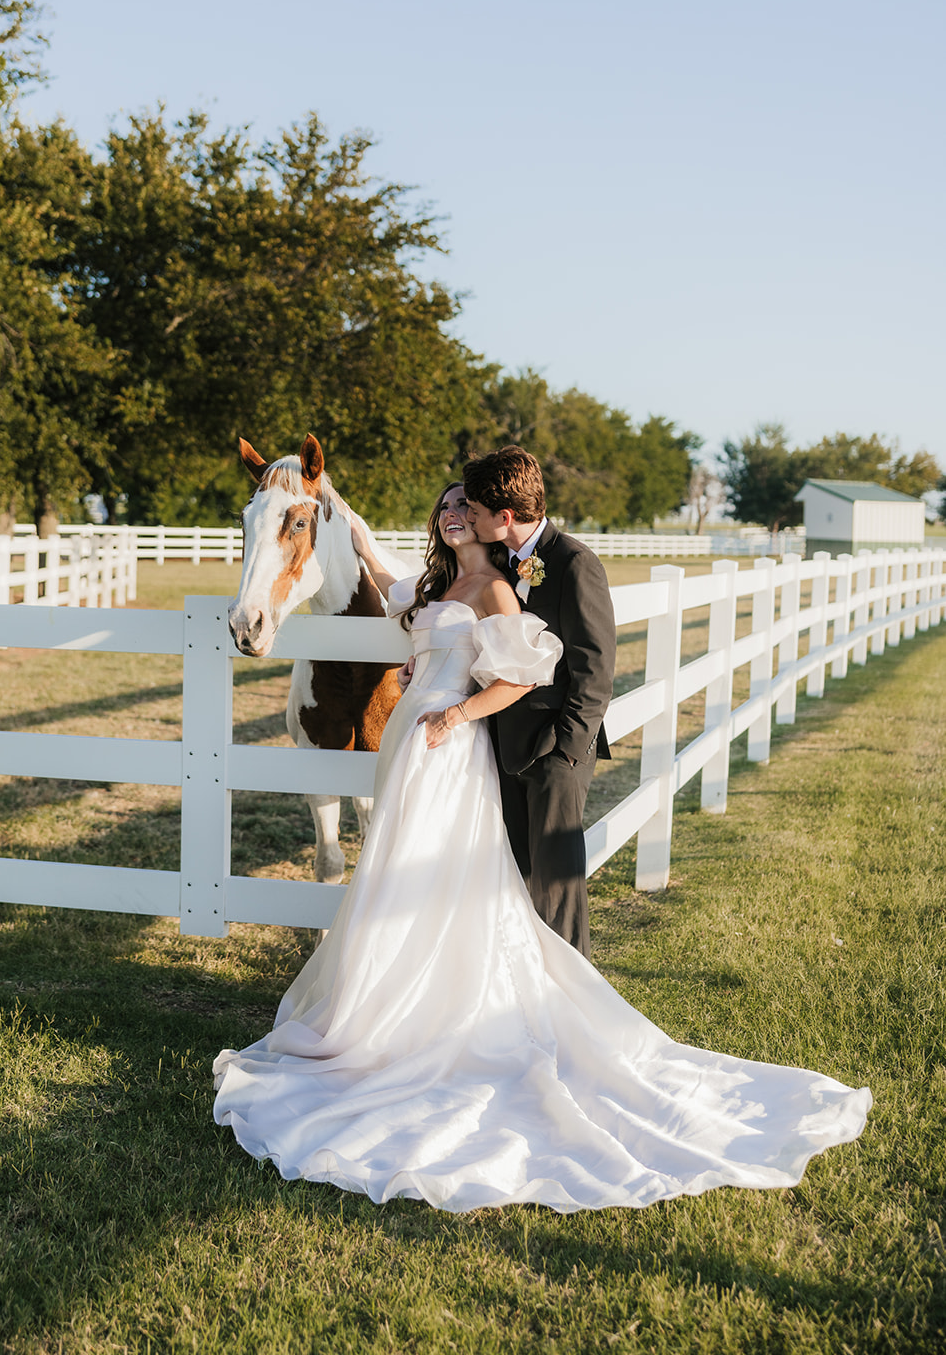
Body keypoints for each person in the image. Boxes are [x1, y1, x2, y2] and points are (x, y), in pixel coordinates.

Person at [212, 480, 870, 1214]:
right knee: (392, 870)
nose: (453, 513)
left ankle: (433, 1018)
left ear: (491, 524)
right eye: (445, 505)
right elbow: (371, 563)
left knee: (440, 875)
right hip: (409, 746)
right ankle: (382, 1003)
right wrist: (337, 512)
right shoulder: (436, 581)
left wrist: (454, 712)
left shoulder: (495, 587)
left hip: (446, 748)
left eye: (467, 506)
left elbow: (524, 673)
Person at [463, 447, 616, 959]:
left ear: (504, 517)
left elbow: (594, 667)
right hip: (505, 747)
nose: (468, 517)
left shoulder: (573, 563)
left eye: (476, 511)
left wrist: (567, 752)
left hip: (554, 750)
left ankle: (573, 1003)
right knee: (517, 881)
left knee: (557, 892)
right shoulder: (498, 565)